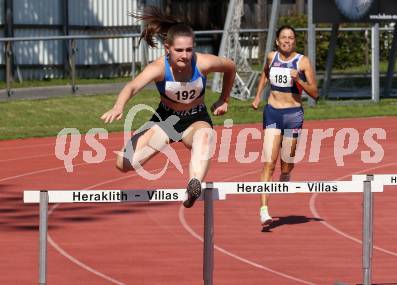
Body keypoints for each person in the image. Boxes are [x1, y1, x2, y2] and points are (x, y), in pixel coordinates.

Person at [101, 6, 236, 208]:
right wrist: (118, 106)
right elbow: (132, 86)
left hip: (195, 120)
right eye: (179, 50)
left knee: (205, 137)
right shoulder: (158, 68)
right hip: (166, 121)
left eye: (189, 50)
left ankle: (194, 184)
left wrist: (224, 98)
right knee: (123, 163)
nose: (184, 56)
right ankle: (162, 144)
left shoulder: (203, 63)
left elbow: (230, 67)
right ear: (167, 48)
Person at [251, 25, 318, 225]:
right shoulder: (272, 57)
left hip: (293, 114)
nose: (287, 41)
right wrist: (257, 97)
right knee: (268, 163)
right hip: (272, 112)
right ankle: (264, 210)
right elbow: (265, 73)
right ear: (278, 41)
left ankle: (287, 173)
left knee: (286, 163)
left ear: (294, 41)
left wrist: (300, 81)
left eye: (290, 38)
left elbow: (315, 93)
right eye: (283, 38)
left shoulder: (302, 61)